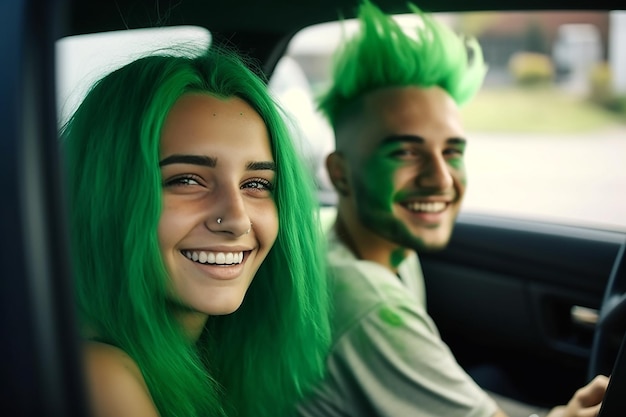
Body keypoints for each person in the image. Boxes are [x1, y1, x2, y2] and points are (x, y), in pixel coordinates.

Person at [295, 1, 609, 417]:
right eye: (406, 152)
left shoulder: (351, 237)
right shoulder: (370, 305)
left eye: (451, 151)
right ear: (340, 174)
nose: (441, 179)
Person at [61, 47, 331, 417]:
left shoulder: (211, 352)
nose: (237, 220)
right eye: (187, 180)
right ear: (105, 197)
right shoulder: (99, 372)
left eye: (255, 183)